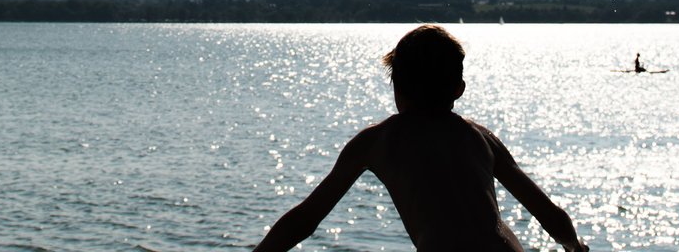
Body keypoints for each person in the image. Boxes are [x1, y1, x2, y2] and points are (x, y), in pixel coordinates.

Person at [250, 25, 590, 252]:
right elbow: (550, 214)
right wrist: (575, 247)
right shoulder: (481, 138)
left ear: (396, 86)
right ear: (459, 89)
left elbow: (305, 218)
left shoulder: (377, 141)